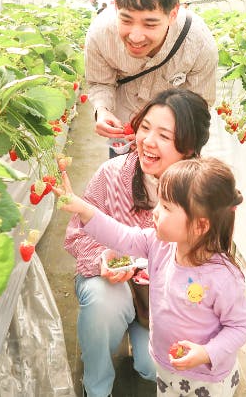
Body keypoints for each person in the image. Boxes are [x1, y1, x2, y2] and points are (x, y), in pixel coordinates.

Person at [56, 156, 246, 397]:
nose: (155, 213)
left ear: (201, 226)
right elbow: (121, 236)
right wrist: (82, 208)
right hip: (166, 368)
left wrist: (206, 353)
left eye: (167, 207)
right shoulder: (158, 244)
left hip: (207, 380)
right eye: (159, 203)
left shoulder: (223, 277)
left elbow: (240, 326)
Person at [64, 88, 212, 397]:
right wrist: (103, 257)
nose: (147, 141)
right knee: (103, 301)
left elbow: (211, 266)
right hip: (112, 284)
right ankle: (97, 384)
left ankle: (140, 338)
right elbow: (77, 234)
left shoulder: (204, 193)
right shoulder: (113, 174)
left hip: (163, 299)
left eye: (164, 135)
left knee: (153, 367)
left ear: (189, 148)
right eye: (144, 127)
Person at [84, 0, 218, 154]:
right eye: (126, 20)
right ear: (116, 8)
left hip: (170, 141)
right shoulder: (100, 34)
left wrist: (166, 137)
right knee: (120, 180)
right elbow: (100, 82)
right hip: (124, 132)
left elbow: (198, 107)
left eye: (150, 24)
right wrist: (103, 109)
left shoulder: (199, 44)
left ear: (173, 14)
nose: (136, 36)